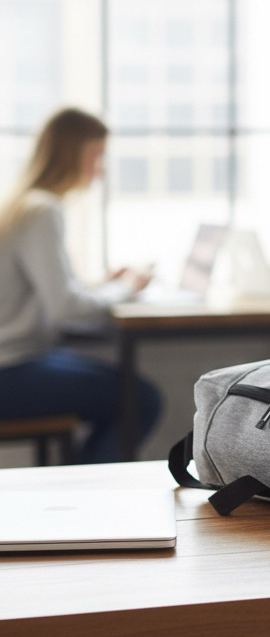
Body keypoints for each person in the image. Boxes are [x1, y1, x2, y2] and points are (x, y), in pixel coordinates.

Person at [0, 108, 162, 463]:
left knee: (131, 392)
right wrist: (129, 288)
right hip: (11, 369)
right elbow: (66, 308)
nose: (101, 169)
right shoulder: (42, 210)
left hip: (19, 360)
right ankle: (85, 494)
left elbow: (52, 292)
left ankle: (78, 484)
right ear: (71, 153)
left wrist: (102, 284)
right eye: (97, 155)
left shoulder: (23, 204)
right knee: (140, 399)